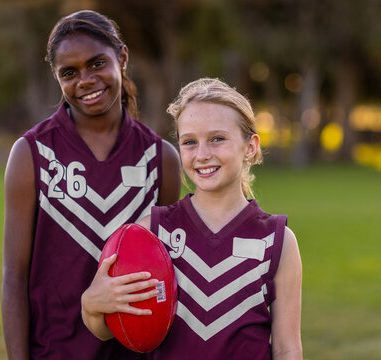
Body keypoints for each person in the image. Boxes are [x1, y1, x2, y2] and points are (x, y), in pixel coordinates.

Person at [1, 10, 181, 360]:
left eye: (97, 63)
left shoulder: (161, 159)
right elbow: (13, 279)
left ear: (122, 58)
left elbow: (168, 275)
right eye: (69, 73)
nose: (85, 80)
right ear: (56, 77)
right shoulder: (32, 154)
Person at [82, 78, 303, 360]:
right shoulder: (151, 232)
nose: (202, 154)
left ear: (250, 146)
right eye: (189, 142)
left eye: (217, 139)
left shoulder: (278, 241)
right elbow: (109, 328)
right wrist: (90, 305)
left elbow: (287, 348)